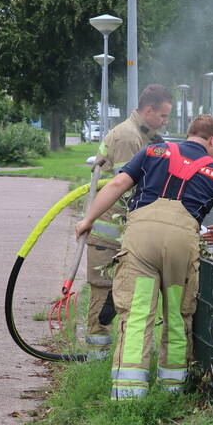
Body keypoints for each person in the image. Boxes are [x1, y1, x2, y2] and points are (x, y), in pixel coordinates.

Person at [75, 115, 213, 399]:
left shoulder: (154, 151)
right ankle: (172, 390)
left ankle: (128, 394)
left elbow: (116, 185)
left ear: (189, 134)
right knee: (177, 315)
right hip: (181, 245)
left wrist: (88, 220)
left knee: (136, 314)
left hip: (141, 241)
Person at [84, 84, 173, 356]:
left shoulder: (144, 136)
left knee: (121, 293)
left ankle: (111, 353)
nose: (165, 122)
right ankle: (96, 356)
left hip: (123, 229)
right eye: (163, 117)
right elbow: (126, 189)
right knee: (103, 291)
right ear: (149, 111)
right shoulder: (127, 138)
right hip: (109, 231)